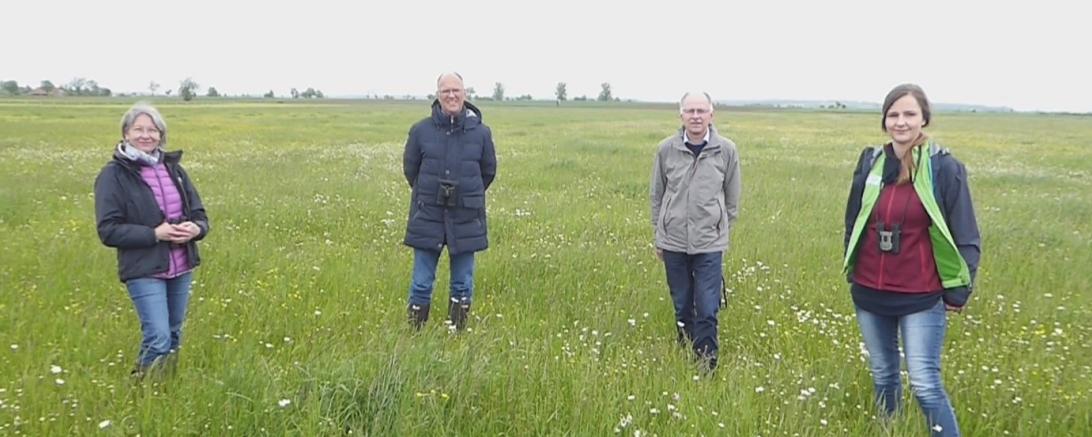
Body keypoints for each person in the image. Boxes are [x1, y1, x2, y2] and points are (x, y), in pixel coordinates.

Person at [843, 84, 981, 437]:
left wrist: (959, 290)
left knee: (924, 384)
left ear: (924, 119)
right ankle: (889, 431)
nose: (900, 122)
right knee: (883, 374)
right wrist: (852, 268)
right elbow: (853, 220)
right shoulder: (871, 162)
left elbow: (965, 232)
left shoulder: (943, 167)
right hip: (870, 291)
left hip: (920, 294)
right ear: (884, 120)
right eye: (893, 115)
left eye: (909, 114)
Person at [94, 102, 209, 377]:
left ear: (161, 135)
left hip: (181, 265)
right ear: (126, 133)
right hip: (143, 268)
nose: (146, 135)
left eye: (152, 130)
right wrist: (155, 234)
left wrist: (195, 229)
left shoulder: (174, 170)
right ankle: (139, 390)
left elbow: (200, 214)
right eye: (139, 129)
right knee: (158, 338)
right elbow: (108, 230)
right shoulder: (113, 175)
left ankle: (165, 387)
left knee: (174, 333)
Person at [650, 91, 742, 371]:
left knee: (707, 306)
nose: (696, 116)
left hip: (709, 243)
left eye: (701, 111)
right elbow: (657, 195)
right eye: (690, 111)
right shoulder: (666, 150)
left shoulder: (726, 150)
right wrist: (659, 234)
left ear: (711, 114)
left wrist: (718, 229)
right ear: (681, 115)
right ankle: (685, 345)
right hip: (673, 241)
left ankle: (706, 363)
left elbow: (732, 199)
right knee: (682, 303)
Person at [403, 72, 497, 331]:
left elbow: (488, 172)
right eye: (446, 91)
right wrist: (428, 195)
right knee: (421, 282)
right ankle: (415, 335)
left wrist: (466, 195)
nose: (452, 95)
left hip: (466, 217)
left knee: (462, 283)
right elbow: (411, 170)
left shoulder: (481, 133)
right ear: (438, 95)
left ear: (465, 93)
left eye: (456, 90)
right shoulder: (420, 131)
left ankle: (457, 334)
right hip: (428, 216)